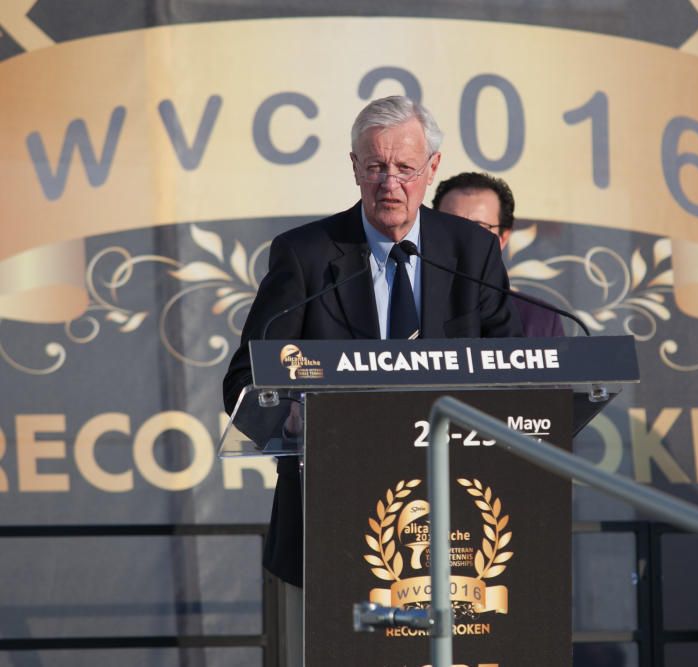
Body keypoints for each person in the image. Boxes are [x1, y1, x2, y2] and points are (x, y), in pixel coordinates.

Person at [222, 96, 522, 664]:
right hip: (328, 523)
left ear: (431, 169)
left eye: (405, 168)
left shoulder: (471, 252)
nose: (390, 182)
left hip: (455, 528)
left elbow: (510, 371)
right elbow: (244, 379)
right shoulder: (307, 255)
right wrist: (288, 408)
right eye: (376, 167)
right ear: (355, 168)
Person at [432, 171, 565, 337]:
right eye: (452, 224)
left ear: (503, 238)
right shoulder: (414, 305)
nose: (463, 238)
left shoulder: (541, 320)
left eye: (478, 228)